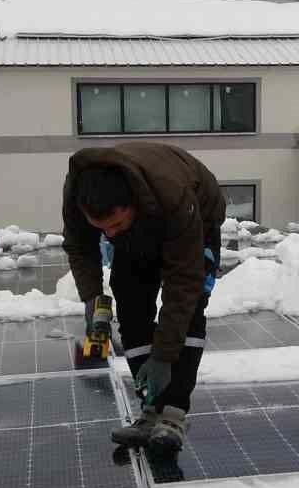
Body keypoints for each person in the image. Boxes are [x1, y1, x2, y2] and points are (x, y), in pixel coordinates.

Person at [61, 142, 225, 455]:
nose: (109, 235)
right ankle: (151, 411)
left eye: (117, 225)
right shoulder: (77, 194)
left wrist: (163, 357)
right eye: (102, 229)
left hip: (197, 221)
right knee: (131, 303)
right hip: (146, 220)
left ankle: (174, 414)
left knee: (189, 311)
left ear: (132, 204)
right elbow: (80, 248)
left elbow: (183, 285)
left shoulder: (173, 195)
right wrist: (93, 301)